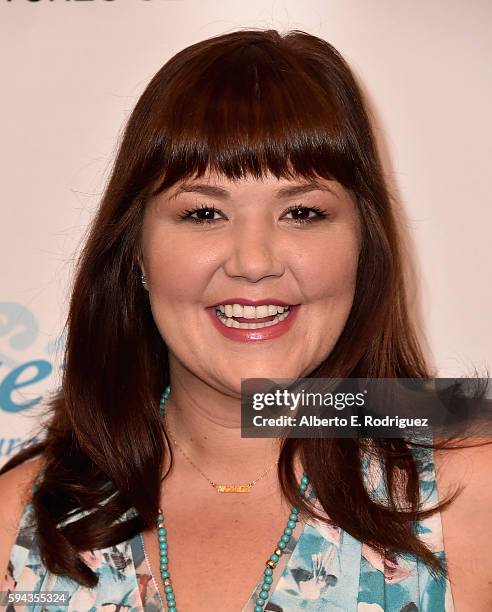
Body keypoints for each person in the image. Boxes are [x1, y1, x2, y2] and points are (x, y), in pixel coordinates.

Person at [1, 27, 491, 612]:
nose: (253, 262)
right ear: (135, 250)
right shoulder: (21, 517)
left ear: (364, 245)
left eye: (303, 212)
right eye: (204, 212)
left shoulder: (474, 488)